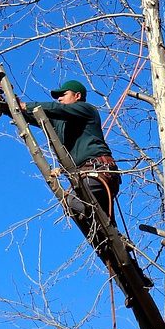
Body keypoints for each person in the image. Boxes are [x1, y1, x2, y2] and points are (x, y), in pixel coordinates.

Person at [18, 80, 121, 223]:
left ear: (77, 96)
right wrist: (8, 107)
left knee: (72, 202)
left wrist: (26, 105)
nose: (59, 99)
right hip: (84, 176)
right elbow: (37, 117)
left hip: (98, 170)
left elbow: (56, 109)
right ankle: (113, 244)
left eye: (63, 95)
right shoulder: (60, 122)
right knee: (101, 230)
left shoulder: (86, 109)